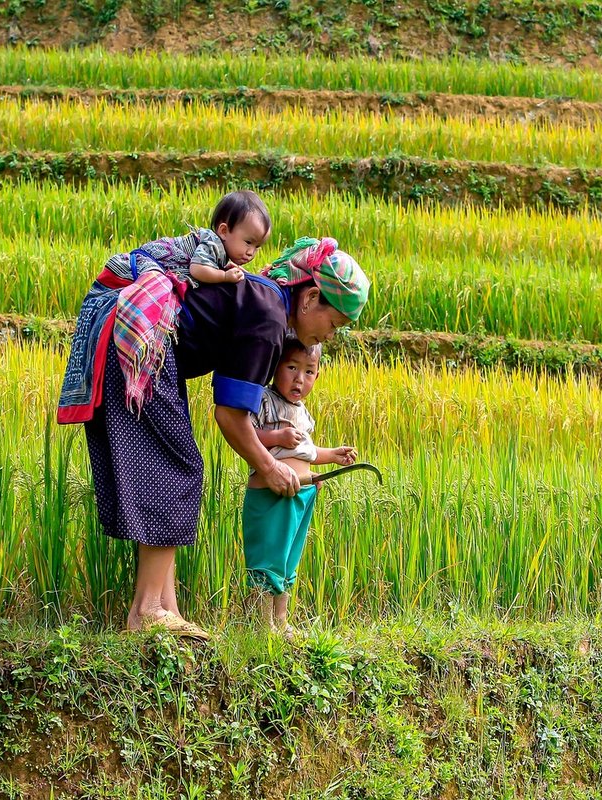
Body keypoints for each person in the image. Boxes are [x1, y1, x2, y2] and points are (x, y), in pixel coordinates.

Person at [58, 232, 369, 639]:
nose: (331, 335)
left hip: (141, 340)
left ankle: (163, 608)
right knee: (177, 469)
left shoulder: (265, 303)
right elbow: (230, 416)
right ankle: (148, 609)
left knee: (170, 467)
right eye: (335, 323)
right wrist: (269, 466)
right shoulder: (270, 318)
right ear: (310, 298)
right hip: (143, 342)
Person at [243, 336, 357, 637]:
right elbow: (247, 433)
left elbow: (308, 452)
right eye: (292, 367)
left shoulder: (303, 412)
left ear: (317, 375)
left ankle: (281, 621)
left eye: (308, 371)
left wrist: (333, 455)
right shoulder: (264, 400)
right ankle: (262, 625)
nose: (299, 379)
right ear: (275, 366)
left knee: (288, 560)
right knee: (268, 557)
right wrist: (276, 437)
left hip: (303, 494)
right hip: (271, 493)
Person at [101, 190, 269, 289]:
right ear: (224, 231)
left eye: (257, 247)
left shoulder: (220, 250)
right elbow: (198, 269)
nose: (251, 252)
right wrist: (224, 276)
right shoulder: (212, 244)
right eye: (248, 242)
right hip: (154, 260)